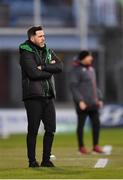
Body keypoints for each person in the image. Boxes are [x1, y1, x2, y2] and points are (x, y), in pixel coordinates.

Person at [19, 26, 63, 167]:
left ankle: (46, 160)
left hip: (48, 95)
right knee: (33, 129)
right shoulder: (26, 52)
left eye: (44, 35)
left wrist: (43, 67)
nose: (43, 38)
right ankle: (32, 161)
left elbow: (60, 67)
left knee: (50, 129)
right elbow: (33, 74)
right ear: (32, 38)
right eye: (40, 36)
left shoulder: (48, 51)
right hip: (33, 96)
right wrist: (50, 70)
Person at [70, 50, 103, 154]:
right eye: (89, 57)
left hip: (93, 103)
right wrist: (80, 101)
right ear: (83, 58)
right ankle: (81, 147)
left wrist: (99, 98)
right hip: (83, 103)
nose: (91, 58)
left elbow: (94, 86)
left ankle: (96, 145)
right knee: (81, 125)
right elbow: (73, 87)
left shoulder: (91, 70)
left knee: (96, 124)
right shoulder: (76, 71)